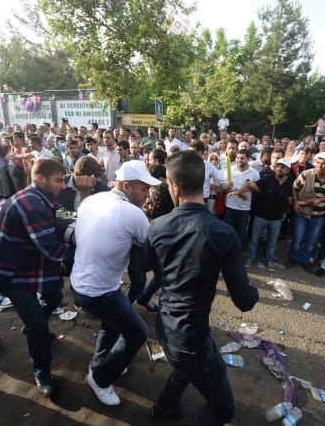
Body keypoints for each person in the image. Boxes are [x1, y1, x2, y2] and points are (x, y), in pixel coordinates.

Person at [145, 150, 258, 424]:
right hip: (191, 337)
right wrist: (253, 290)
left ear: (174, 186)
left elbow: (145, 268)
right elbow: (244, 300)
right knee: (223, 410)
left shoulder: (157, 226)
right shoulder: (222, 233)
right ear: (205, 183)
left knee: (186, 367)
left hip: (165, 324)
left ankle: (164, 408)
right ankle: (166, 409)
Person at [70, 160, 160, 406]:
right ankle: (99, 378)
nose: (147, 195)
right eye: (144, 189)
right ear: (127, 186)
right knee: (137, 333)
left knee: (114, 323)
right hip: (98, 292)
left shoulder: (92, 199)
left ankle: (101, 364)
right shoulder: (133, 213)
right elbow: (151, 253)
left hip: (82, 284)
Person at [0, 158, 76, 397]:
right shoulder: (32, 204)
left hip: (33, 266)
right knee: (37, 324)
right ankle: (42, 373)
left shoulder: (36, 197)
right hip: (15, 273)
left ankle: (34, 329)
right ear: (40, 178)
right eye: (58, 180)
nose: (63, 186)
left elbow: (54, 225)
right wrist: (88, 247)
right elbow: (52, 249)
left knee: (55, 297)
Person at [286, 152, 325, 273]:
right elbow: (295, 187)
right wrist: (296, 202)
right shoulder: (306, 174)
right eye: (318, 163)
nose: (320, 166)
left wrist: (320, 202)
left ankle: (304, 260)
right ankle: (293, 258)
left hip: (319, 215)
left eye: (324, 164)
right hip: (302, 212)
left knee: (311, 241)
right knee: (298, 238)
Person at [244, 159, 294, 271]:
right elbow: (253, 185)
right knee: (255, 239)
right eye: (278, 166)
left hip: (277, 218)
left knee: (272, 241)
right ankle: (250, 258)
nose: (279, 169)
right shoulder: (267, 179)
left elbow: (289, 199)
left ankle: (269, 260)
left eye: (283, 167)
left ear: (288, 170)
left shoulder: (288, 185)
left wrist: (288, 209)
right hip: (260, 215)